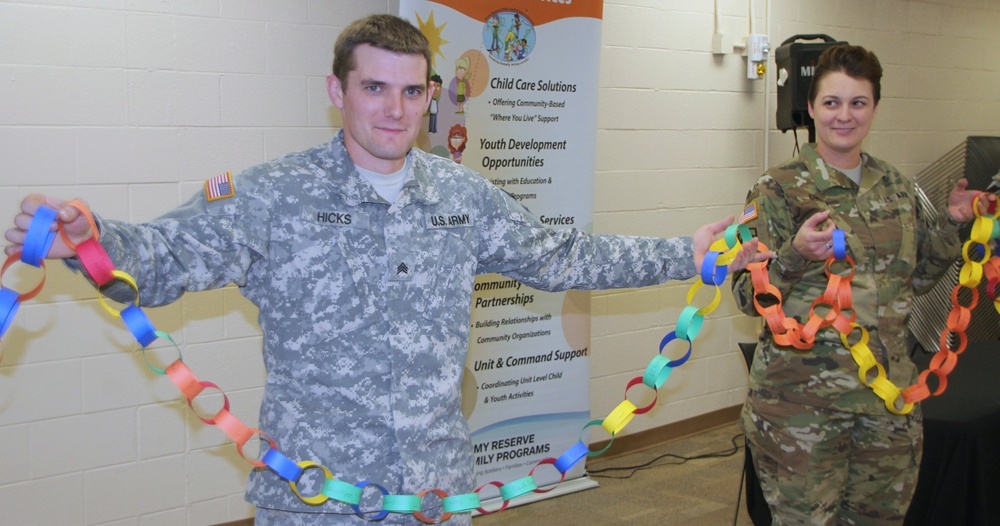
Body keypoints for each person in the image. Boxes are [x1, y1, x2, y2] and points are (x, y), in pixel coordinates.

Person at [6, 14, 764, 526]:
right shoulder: (275, 194)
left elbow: (562, 257)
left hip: (433, 490)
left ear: (430, 95)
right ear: (338, 92)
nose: (395, 110)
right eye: (375, 88)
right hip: (317, 498)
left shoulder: (461, 194)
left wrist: (686, 253)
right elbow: (169, 258)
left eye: (412, 91)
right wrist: (93, 239)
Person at [731, 44, 990, 525]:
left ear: (874, 107)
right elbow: (748, 297)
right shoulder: (777, 188)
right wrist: (795, 255)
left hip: (886, 405)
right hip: (803, 411)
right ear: (810, 108)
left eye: (858, 103)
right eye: (832, 103)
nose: (844, 116)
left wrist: (953, 224)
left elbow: (916, 278)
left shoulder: (894, 185)